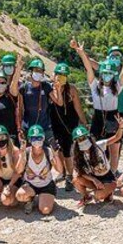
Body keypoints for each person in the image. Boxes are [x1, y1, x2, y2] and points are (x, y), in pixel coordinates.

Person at [73, 41, 123, 176]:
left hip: (113, 117)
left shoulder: (116, 86)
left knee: (114, 147)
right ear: (101, 73)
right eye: (105, 72)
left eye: (110, 73)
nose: (107, 75)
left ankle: (112, 174)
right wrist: (82, 53)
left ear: (113, 74)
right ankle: (97, 171)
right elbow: (89, 69)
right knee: (94, 147)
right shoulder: (95, 86)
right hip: (98, 117)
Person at [49, 62, 87, 192]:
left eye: (64, 75)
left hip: (70, 124)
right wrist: (57, 88)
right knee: (56, 150)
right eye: (59, 74)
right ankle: (62, 172)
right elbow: (57, 103)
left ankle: (69, 176)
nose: (62, 77)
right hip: (54, 124)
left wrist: (84, 123)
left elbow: (78, 108)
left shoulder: (72, 90)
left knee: (67, 151)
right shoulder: (50, 90)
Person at [71, 117, 123, 207]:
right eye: (79, 139)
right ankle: (86, 196)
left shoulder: (99, 145)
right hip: (94, 177)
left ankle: (108, 192)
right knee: (76, 180)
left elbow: (117, 137)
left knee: (98, 196)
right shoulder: (79, 154)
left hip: (107, 177)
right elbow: (80, 171)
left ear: (88, 137)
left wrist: (121, 127)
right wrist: (94, 180)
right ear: (76, 142)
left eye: (84, 137)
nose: (83, 140)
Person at [13, 125, 64, 215]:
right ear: (29, 139)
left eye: (39, 137)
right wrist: (21, 155)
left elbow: (60, 170)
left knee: (45, 210)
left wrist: (56, 154)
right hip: (30, 184)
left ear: (43, 138)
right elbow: (18, 171)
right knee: (19, 195)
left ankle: (45, 198)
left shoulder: (48, 151)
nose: (37, 140)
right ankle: (30, 200)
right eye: (34, 138)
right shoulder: (26, 152)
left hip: (46, 185)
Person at [18, 58, 55, 147]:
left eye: (40, 71)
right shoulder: (24, 88)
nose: (38, 73)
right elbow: (20, 109)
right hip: (28, 128)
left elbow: (58, 102)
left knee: (52, 153)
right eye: (36, 70)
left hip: (45, 128)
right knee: (27, 154)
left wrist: (55, 85)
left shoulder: (46, 87)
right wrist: (20, 128)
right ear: (30, 71)